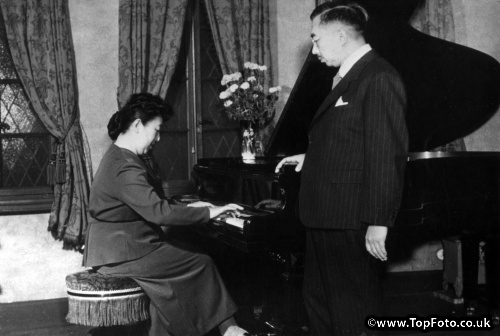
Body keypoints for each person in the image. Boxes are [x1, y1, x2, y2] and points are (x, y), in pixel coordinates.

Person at [275, 1, 409, 335]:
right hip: (324, 215)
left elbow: (385, 154)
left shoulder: (378, 76)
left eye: (317, 39)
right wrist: (311, 158)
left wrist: (379, 222)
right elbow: (350, 140)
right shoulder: (347, 77)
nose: (314, 50)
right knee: (320, 307)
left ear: (340, 36)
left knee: (353, 313)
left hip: (351, 219)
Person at [83, 92, 249, 336]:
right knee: (201, 261)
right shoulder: (126, 165)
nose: (159, 138)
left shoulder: (121, 156)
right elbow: (158, 213)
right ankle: (230, 330)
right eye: (157, 130)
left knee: (174, 279)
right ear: (138, 125)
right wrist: (209, 213)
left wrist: (188, 208)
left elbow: (145, 203)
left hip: (122, 246)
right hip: (124, 252)